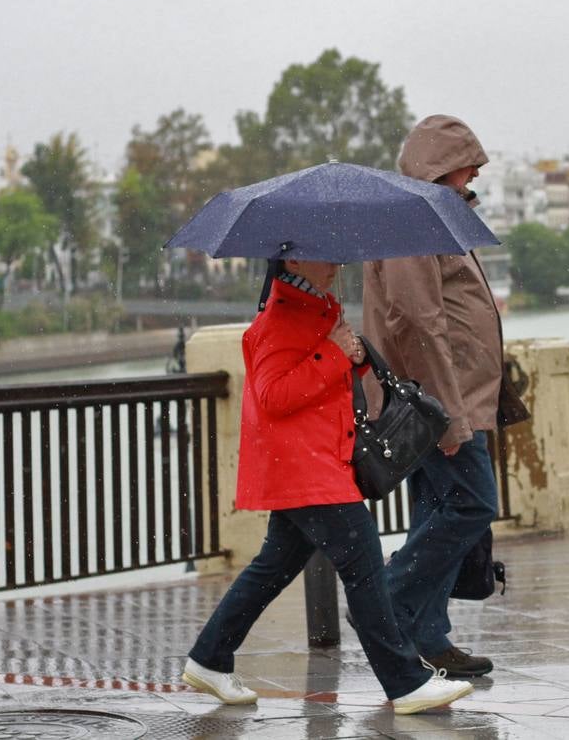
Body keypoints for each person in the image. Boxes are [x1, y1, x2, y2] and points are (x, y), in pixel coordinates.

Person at [182, 258, 473, 715]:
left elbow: (316, 383)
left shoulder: (314, 310)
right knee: (364, 567)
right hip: (307, 469)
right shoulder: (281, 318)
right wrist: (334, 352)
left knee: (271, 568)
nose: (336, 263)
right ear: (294, 259)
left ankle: (209, 658)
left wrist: (352, 359)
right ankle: (405, 683)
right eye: (325, 255)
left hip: (314, 463)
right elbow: (273, 395)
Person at [362, 115, 503, 678]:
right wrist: (448, 420)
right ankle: (388, 602)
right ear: (444, 166)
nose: (474, 175)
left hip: (455, 398)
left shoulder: (436, 218)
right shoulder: (413, 223)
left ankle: (427, 635)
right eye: (468, 165)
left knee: (440, 510)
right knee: (472, 504)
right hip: (438, 404)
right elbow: (418, 325)